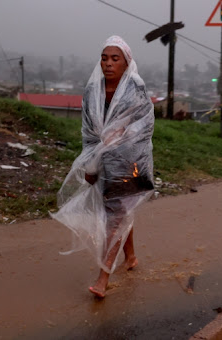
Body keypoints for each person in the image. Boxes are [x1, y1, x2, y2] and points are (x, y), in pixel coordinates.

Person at [51, 35, 155, 298]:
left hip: (129, 160)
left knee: (115, 213)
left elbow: (145, 126)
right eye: (104, 58)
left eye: (115, 58)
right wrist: (91, 162)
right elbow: (88, 132)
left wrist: (122, 136)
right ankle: (130, 257)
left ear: (126, 62)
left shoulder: (135, 88)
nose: (108, 63)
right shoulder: (92, 90)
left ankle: (103, 276)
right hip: (102, 159)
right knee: (119, 210)